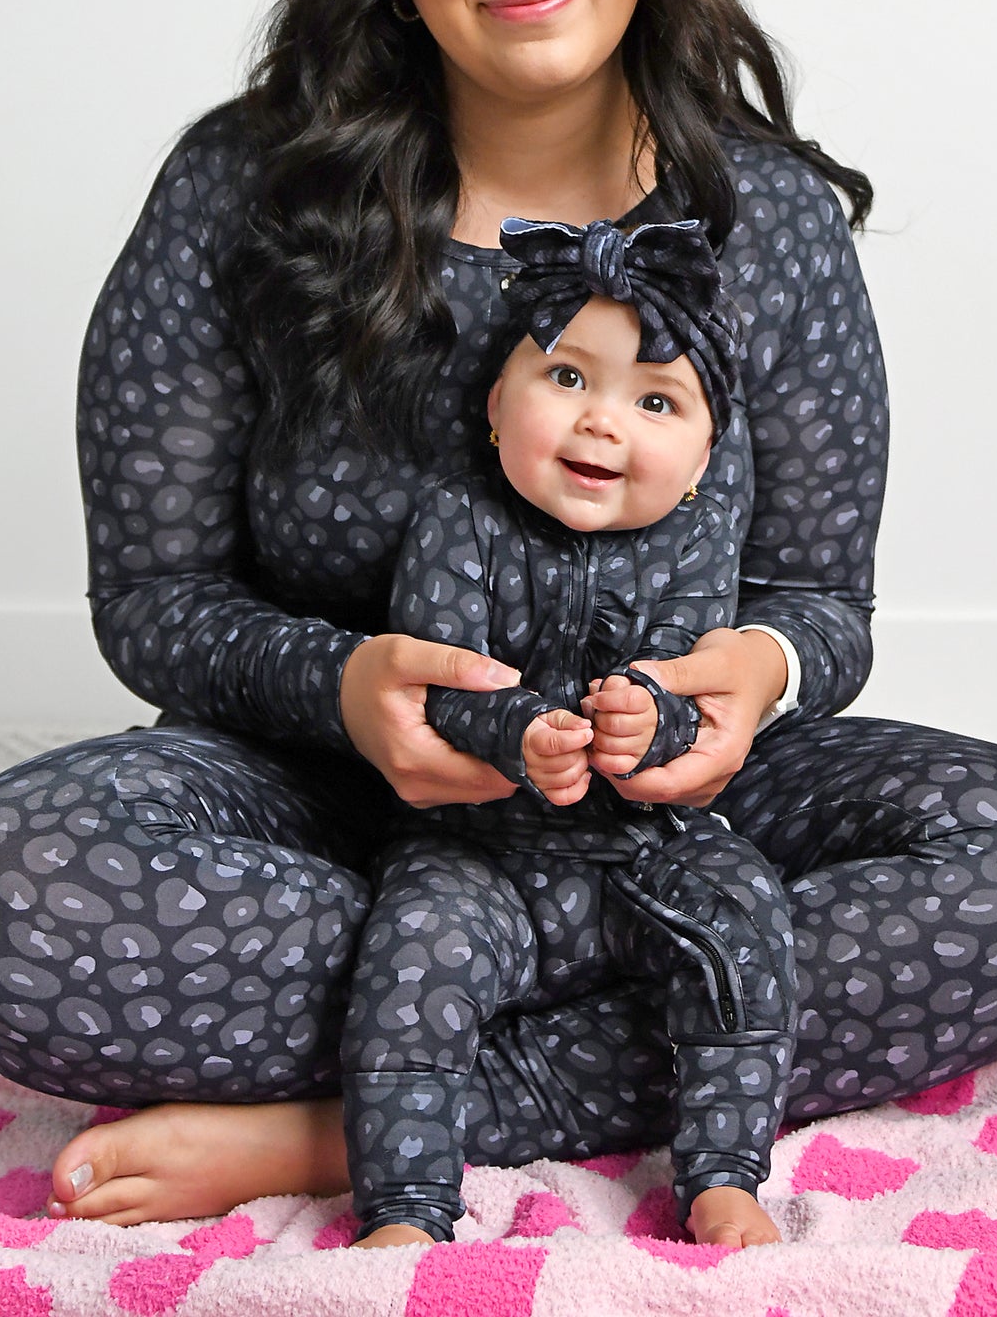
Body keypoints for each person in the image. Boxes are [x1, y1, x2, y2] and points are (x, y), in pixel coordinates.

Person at [0, 0, 997, 1236]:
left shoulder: (767, 222)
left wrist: (751, 674)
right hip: (335, 808)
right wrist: (343, 688)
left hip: (680, 830)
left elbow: (822, 603)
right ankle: (640, 1037)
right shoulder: (243, 189)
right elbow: (155, 600)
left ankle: (375, 1119)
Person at [347, 213, 795, 1249]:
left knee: (746, 911)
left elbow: (692, 689)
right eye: (566, 378)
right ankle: (406, 1204)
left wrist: (653, 719)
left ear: (703, 460)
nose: (602, 423)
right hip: (480, 849)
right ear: (496, 406)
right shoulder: (461, 519)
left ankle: (724, 1174)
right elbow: (441, 681)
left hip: (646, 851)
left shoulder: (697, 536)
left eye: (655, 401)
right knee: (413, 956)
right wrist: (520, 729)